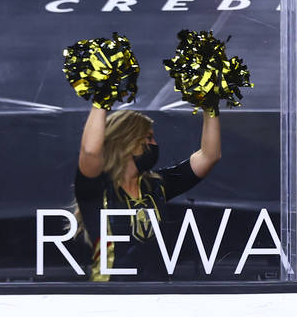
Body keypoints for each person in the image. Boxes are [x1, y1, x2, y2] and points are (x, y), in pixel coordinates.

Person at [73, 106, 221, 281]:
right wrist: (101, 101)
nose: (155, 144)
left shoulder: (156, 184)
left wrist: (210, 106)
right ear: (125, 141)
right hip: (111, 297)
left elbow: (210, 156)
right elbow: (90, 151)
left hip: (158, 295)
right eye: (148, 137)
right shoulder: (96, 188)